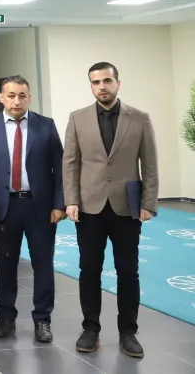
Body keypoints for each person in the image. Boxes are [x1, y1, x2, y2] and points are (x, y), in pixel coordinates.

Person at [63, 62, 159, 359]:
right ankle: (90, 329)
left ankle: (128, 332)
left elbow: (150, 163)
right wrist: (71, 200)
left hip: (127, 207)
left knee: (128, 271)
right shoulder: (77, 118)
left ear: (118, 83)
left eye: (107, 80)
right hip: (89, 207)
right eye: (95, 82)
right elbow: (70, 162)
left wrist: (148, 203)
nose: (101, 86)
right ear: (91, 86)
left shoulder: (139, 118)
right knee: (89, 269)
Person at [0, 76, 64, 344]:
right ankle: (6, 317)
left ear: (29, 98)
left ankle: (43, 320)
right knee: (5, 264)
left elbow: (60, 168)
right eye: (11, 95)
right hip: (5, 208)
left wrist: (59, 204)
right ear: (1, 98)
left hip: (40, 208)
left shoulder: (46, 125)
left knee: (43, 264)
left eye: (22, 96)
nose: (17, 101)